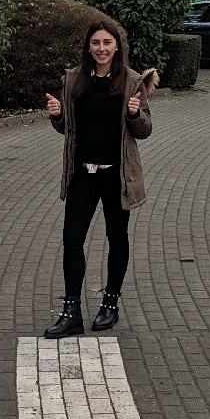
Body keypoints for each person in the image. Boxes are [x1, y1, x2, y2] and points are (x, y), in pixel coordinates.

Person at [43, 21, 156, 337]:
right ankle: (72, 311)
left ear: (117, 46)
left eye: (107, 42)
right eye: (96, 43)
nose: (102, 48)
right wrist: (57, 115)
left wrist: (135, 114)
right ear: (88, 47)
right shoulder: (74, 80)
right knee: (72, 240)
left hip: (116, 176)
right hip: (82, 174)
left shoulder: (131, 81)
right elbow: (68, 128)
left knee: (117, 238)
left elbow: (144, 131)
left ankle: (110, 304)